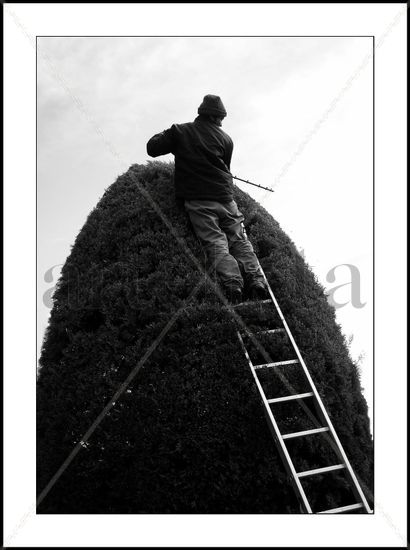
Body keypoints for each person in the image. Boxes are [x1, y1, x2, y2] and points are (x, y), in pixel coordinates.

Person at [146, 94, 267, 304]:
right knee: (239, 239)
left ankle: (234, 284)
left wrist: (170, 135)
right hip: (226, 198)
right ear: (216, 118)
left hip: (199, 199)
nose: (221, 123)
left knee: (215, 241)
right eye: (221, 119)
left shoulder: (180, 131)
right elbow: (225, 168)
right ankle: (257, 281)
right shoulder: (226, 139)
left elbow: (152, 147)